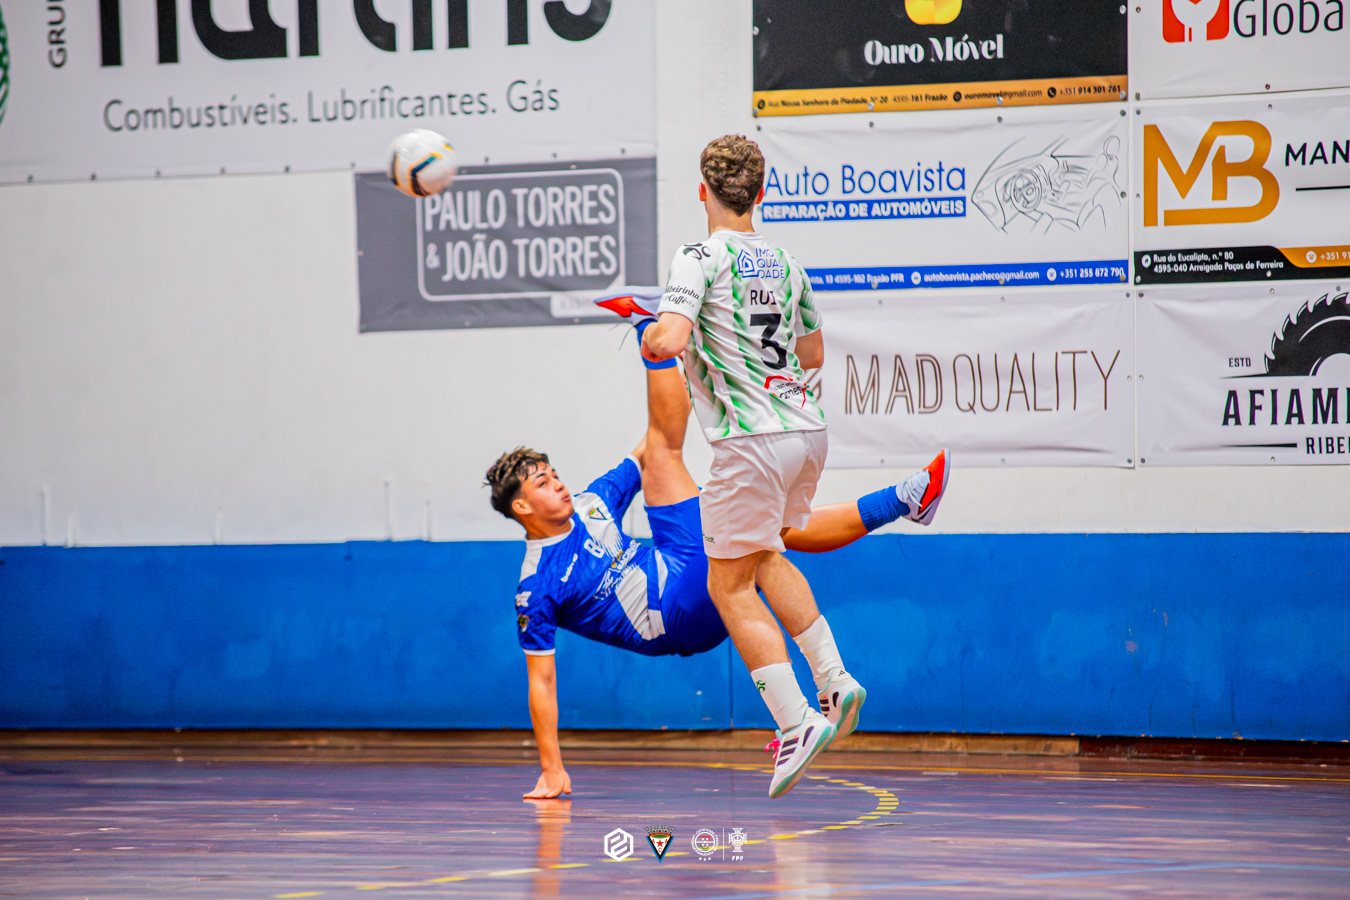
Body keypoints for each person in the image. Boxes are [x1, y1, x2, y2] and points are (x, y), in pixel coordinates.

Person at [486, 313, 948, 800]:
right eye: (543, 484)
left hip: (680, 562)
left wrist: (675, 357)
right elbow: (542, 681)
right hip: (675, 615)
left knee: (767, 535)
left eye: (555, 474)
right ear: (522, 508)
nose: (558, 484)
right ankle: (817, 693)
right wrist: (552, 768)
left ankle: (901, 504)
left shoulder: (591, 502)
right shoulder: (535, 585)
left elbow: (655, 442)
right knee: (740, 527)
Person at [633, 134, 950, 798]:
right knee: (769, 550)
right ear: (760, 193)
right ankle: (834, 679)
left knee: (728, 585)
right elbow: (813, 355)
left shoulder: (698, 256)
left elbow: (670, 338)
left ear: (702, 192)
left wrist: (651, 329)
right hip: (806, 430)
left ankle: (795, 720)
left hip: (750, 440)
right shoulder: (786, 262)